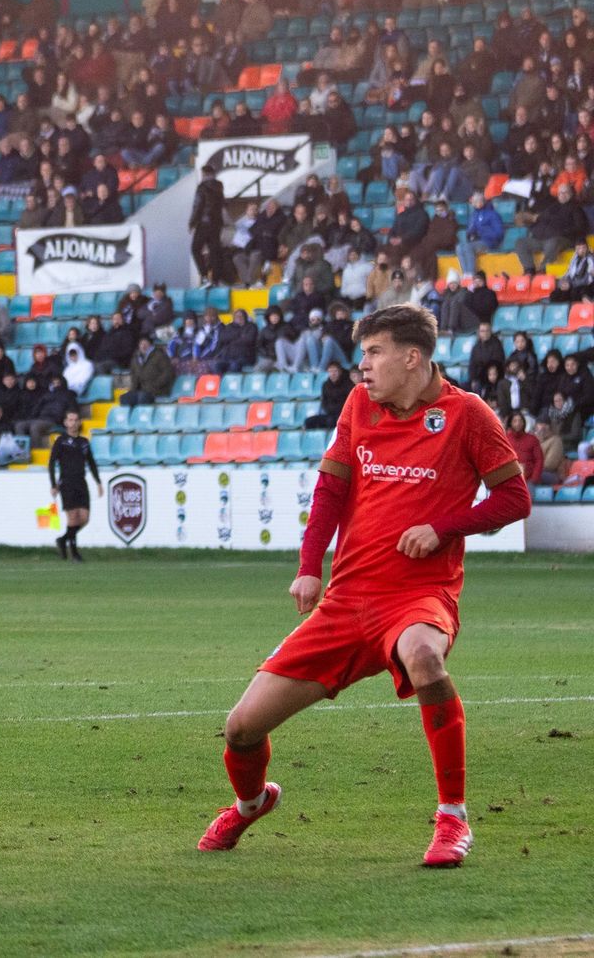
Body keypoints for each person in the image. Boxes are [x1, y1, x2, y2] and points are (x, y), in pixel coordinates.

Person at [197, 305, 530, 867]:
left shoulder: (468, 415)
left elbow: (514, 499)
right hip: (348, 600)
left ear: (412, 357)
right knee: (241, 728)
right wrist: (309, 566)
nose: (363, 367)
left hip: (419, 596)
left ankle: (452, 819)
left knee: (425, 655)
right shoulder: (359, 405)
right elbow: (330, 488)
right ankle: (251, 804)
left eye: (373, 353)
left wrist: (443, 527)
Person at [47, 409, 103, 562]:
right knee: (72, 518)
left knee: (84, 518)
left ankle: (63, 539)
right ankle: (74, 552)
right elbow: (52, 463)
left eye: (75, 420)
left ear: (79, 422)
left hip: (81, 483)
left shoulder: (84, 442)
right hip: (67, 482)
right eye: (70, 420)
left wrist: (98, 482)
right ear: (65, 423)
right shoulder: (61, 441)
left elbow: (91, 463)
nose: (73, 423)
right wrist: (53, 484)